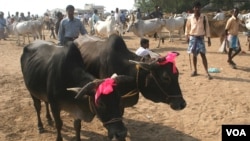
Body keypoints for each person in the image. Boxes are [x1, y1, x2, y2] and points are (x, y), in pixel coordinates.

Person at [185, 1, 212, 80]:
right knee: (194, 55)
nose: (197, 9)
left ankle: (207, 72)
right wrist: (187, 37)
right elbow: (187, 28)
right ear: (193, 8)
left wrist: (209, 39)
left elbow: (207, 28)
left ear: (200, 8)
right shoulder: (190, 18)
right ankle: (195, 70)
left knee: (203, 55)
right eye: (196, 7)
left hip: (201, 38)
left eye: (198, 7)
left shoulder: (204, 17)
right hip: (193, 38)